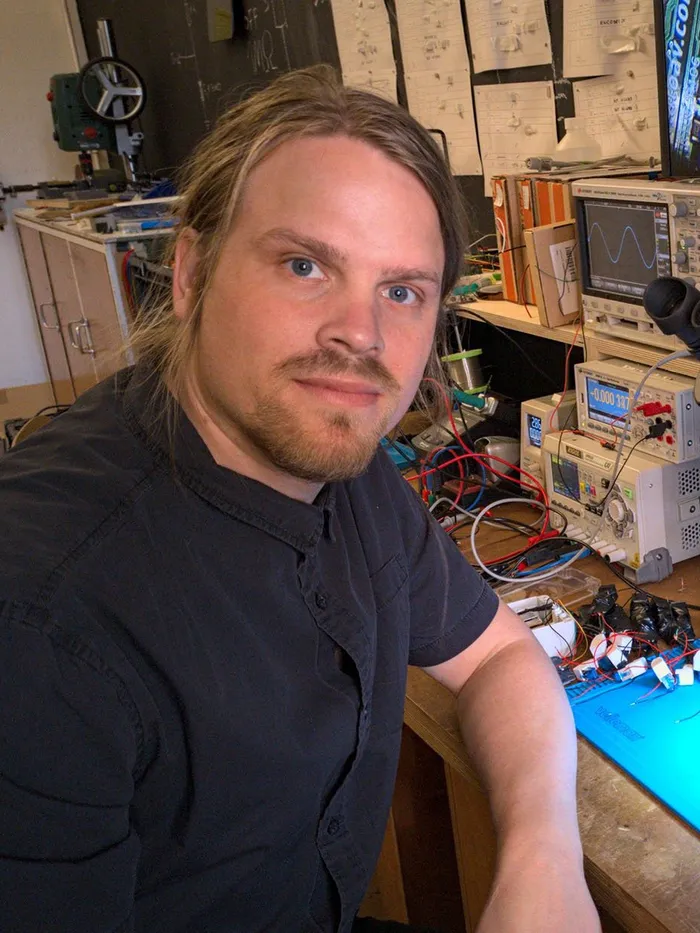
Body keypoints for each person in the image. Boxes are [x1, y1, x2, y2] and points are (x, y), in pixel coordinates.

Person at [0, 66, 601, 933]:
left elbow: (501, 657)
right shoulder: (41, 627)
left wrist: (543, 856)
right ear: (192, 272)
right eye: (305, 264)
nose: (359, 333)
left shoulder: (343, 472)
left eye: (401, 291)